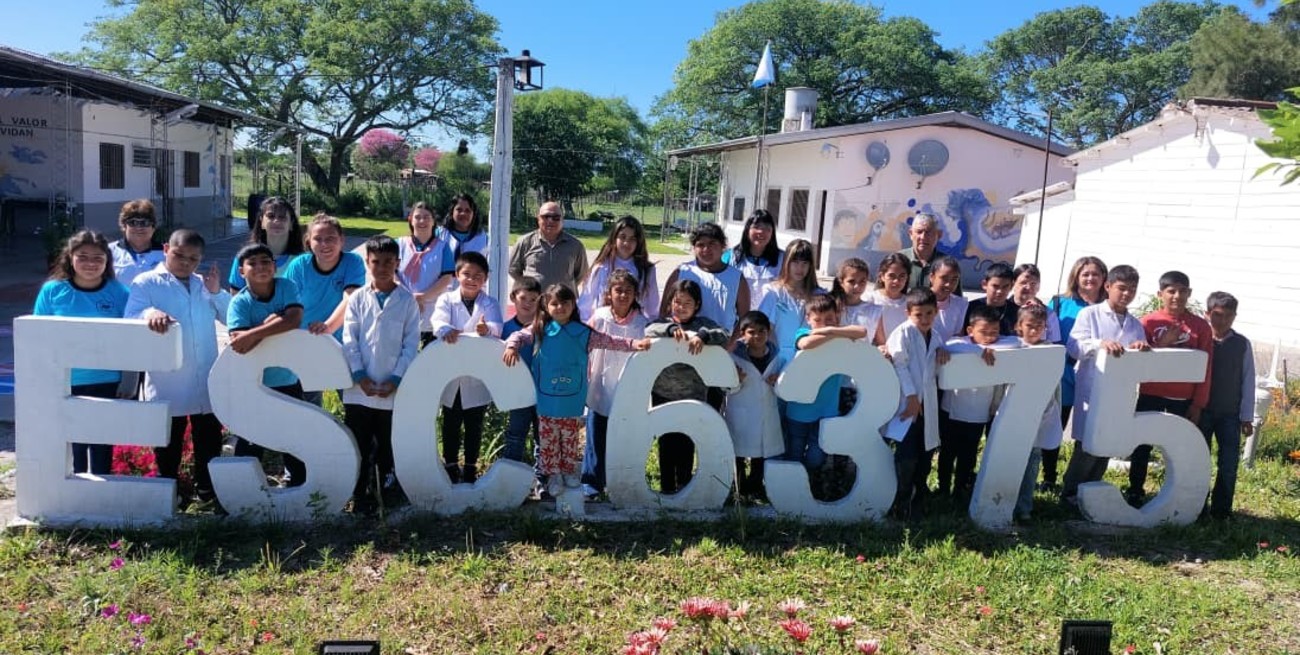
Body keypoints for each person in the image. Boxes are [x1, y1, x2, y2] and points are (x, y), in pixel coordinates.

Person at [502, 284, 650, 501]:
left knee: (570, 439)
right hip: (546, 399)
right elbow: (519, 335)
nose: (560, 307)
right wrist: (511, 346)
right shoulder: (540, 329)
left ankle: (570, 472)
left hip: (572, 400)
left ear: (573, 305)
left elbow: (609, 341)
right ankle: (553, 476)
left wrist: (634, 344)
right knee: (548, 441)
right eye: (554, 303)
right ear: (546, 306)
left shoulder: (583, 332)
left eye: (565, 303)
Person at [126, 229, 229, 507]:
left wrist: (216, 291)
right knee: (168, 441)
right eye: (179, 255)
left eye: (193, 259)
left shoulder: (203, 284)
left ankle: (207, 492)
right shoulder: (146, 282)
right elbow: (131, 314)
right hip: (168, 379)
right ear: (165, 250)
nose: (185, 262)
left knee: (208, 438)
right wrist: (150, 313)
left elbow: (230, 316)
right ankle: (170, 494)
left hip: (205, 375)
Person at [34, 230, 130, 474]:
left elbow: (131, 338)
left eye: (98, 258)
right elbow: (37, 336)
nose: (90, 263)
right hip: (66, 380)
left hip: (107, 379)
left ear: (107, 261)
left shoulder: (120, 292)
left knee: (102, 442)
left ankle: (101, 490)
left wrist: (128, 380)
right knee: (72, 443)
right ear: (70, 257)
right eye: (83, 257)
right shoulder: (52, 291)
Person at [341, 236, 420, 513]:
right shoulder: (357, 299)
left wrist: (395, 379)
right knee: (358, 444)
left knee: (388, 444)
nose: (383, 267)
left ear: (398, 263)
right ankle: (358, 493)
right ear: (367, 263)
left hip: (392, 389)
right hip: (359, 389)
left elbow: (411, 344)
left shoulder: (407, 301)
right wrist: (359, 375)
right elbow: (349, 339)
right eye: (376, 262)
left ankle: (386, 492)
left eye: (389, 262)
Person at [1060, 265, 1150, 505]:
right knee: (1087, 443)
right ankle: (1070, 492)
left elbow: (1139, 361)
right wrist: (1099, 344)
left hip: (1120, 392)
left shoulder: (1135, 324)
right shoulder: (1090, 314)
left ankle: (1091, 492)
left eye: (1132, 289)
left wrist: (1140, 348)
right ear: (1108, 286)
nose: (1127, 294)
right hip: (1093, 388)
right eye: (1122, 288)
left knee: (1107, 441)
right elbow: (1074, 347)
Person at [1128, 270, 1213, 506]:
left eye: (1182, 291)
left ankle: (1180, 495)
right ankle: (1135, 490)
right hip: (1151, 394)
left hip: (1183, 398)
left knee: (1180, 448)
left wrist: (1198, 403)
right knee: (1142, 444)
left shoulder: (1200, 327)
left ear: (1189, 293)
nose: (1177, 296)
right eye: (1171, 291)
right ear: (1160, 294)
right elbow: (1138, 360)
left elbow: (1206, 367)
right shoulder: (1148, 322)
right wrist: (1162, 344)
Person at [225, 243, 307, 487]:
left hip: (288, 378)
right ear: (241, 271)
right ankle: (245, 491)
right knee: (251, 437)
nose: (260, 267)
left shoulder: (286, 286)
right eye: (252, 263)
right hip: (254, 383)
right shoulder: (239, 303)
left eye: (265, 261)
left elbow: (293, 319)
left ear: (274, 265)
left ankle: (299, 486)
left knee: (294, 436)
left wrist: (255, 332)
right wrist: (270, 325)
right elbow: (241, 345)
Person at [644, 279, 730, 494]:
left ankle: (684, 482)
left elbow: (723, 334)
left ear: (697, 305)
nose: (681, 307)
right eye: (677, 302)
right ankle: (667, 486)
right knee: (666, 440)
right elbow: (649, 329)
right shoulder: (663, 323)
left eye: (687, 303)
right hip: (663, 393)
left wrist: (703, 336)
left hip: (693, 395)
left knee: (688, 439)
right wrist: (671, 329)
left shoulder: (703, 324)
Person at [430, 251, 503, 485]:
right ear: (457, 275)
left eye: (478, 276)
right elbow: (438, 321)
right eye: (467, 274)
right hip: (450, 373)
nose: (472, 280)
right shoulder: (446, 299)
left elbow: (497, 327)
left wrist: (486, 329)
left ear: (486, 278)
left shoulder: (490, 303)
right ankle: (451, 465)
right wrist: (445, 330)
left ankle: (471, 467)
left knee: (474, 423)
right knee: (450, 422)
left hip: (477, 376)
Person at [787, 294, 869, 498]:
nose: (823, 324)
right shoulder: (803, 332)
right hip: (799, 408)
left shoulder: (837, 333)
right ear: (808, 319)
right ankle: (792, 490)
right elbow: (806, 344)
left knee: (817, 453)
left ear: (837, 316)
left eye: (829, 319)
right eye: (818, 320)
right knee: (795, 450)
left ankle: (809, 484)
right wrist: (832, 332)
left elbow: (862, 331)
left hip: (827, 410)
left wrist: (829, 330)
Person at [937, 304, 1016, 499]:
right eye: (984, 332)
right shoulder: (958, 343)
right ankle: (943, 488)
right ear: (970, 330)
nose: (989, 337)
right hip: (952, 410)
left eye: (994, 332)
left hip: (979, 413)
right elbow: (951, 345)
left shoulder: (1000, 345)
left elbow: (1016, 342)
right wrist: (978, 350)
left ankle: (960, 489)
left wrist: (988, 347)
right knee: (947, 452)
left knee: (969, 454)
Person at [582, 269, 650, 495]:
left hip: (628, 387)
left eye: (628, 291)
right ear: (609, 293)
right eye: (618, 290)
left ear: (635, 294)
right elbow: (585, 344)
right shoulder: (600, 317)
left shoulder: (642, 323)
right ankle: (591, 482)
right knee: (596, 435)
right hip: (599, 384)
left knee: (623, 437)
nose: (623, 295)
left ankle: (621, 483)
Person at [1043, 256, 1107, 492]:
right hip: (1062, 372)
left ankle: (1078, 479)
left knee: (1088, 428)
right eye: (1085, 274)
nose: (1090, 278)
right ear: (1076, 276)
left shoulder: (1108, 308)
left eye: (1095, 274)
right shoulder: (1060, 303)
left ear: (1104, 278)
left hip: (1094, 374)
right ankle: (1049, 477)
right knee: (1055, 425)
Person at [885, 288, 945, 520]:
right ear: (908, 313)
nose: (924, 319)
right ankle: (900, 501)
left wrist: (942, 351)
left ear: (936, 312)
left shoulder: (935, 336)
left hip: (927, 405)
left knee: (925, 453)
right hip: (906, 403)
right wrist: (911, 397)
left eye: (929, 313)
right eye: (918, 314)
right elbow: (899, 365)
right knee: (906, 455)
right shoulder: (903, 333)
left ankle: (918, 497)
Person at [1199, 291, 1254, 519]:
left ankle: (1221, 511)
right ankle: (1198, 507)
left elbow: (1248, 380)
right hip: (1201, 411)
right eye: (1218, 315)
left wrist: (1246, 416)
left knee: (1229, 464)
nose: (1222, 321)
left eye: (1228, 316)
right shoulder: (1201, 340)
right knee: (1199, 461)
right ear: (1207, 314)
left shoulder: (1241, 344)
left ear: (1234, 317)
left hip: (1229, 415)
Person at [726, 310, 785, 502]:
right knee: (738, 452)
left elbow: (784, 383)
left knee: (761, 452)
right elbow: (724, 387)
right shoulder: (733, 357)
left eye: (762, 331)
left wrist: (778, 381)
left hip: (766, 411)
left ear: (769, 332)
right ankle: (739, 488)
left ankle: (756, 486)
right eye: (751, 332)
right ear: (742, 334)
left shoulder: (777, 357)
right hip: (740, 411)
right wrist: (736, 380)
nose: (757, 336)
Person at [1013, 303, 1064, 523]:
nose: (1034, 330)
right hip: (1014, 414)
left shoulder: (1051, 351)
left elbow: (1055, 388)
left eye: (1039, 326)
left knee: (1032, 462)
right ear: (1019, 326)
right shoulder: (1011, 348)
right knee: (1010, 459)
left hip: (1040, 415)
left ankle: (1024, 507)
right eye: (1030, 326)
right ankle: (1003, 501)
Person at [282, 213, 366, 346]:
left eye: (330, 238)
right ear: (309, 242)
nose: (324, 244)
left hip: (339, 342)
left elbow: (351, 298)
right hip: (302, 338)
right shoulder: (299, 265)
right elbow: (282, 302)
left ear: (342, 240)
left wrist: (327, 328)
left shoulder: (352, 262)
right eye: (318, 239)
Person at [661, 222, 750, 335]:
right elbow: (664, 311)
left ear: (723, 246)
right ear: (694, 248)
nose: (706, 249)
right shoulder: (682, 272)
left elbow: (744, 318)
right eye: (700, 245)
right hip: (684, 342)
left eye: (712, 244)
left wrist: (731, 343)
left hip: (721, 342)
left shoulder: (736, 278)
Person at [577, 215, 659, 321]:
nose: (626, 243)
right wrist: (585, 324)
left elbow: (653, 307)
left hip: (634, 326)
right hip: (604, 324)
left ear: (639, 242)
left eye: (632, 239)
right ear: (614, 238)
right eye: (622, 237)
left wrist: (650, 325)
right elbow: (586, 302)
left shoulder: (647, 270)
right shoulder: (601, 266)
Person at [397, 201, 456, 346]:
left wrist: (422, 297)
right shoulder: (399, 244)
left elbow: (447, 278)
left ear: (433, 221)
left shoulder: (443, 248)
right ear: (410, 219)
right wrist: (410, 298)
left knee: (429, 357)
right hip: (402, 311)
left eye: (426, 217)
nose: (422, 221)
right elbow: (391, 274)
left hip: (432, 315)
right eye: (417, 217)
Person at [758, 239, 822, 363]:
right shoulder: (773, 292)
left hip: (811, 360)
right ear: (787, 262)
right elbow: (764, 329)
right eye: (795, 262)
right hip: (779, 360)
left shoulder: (819, 295)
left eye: (805, 263)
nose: (800, 268)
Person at [501, 277, 542, 465]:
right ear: (513, 298)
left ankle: (542, 476)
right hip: (518, 391)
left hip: (542, 391)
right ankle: (511, 471)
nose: (528, 303)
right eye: (523, 298)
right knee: (516, 434)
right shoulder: (505, 329)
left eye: (533, 299)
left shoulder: (544, 328)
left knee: (542, 436)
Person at [508, 201, 589, 292]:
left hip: (564, 299)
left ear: (562, 220)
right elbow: (513, 269)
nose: (550, 221)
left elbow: (581, 274)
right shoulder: (525, 242)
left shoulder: (575, 245)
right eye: (546, 216)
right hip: (535, 299)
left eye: (556, 218)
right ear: (538, 219)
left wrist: (565, 289)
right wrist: (529, 288)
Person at [227, 196, 304, 291]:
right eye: (271, 216)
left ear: (291, 223)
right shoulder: (245, 258)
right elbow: (235, 294)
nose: (276, 221)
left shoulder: (303, 261)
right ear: (262, 221)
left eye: (282, 217)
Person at [723, 209, 783, 304]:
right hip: (739, 312)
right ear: (747, 230)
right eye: (756, 227)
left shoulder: (783, 259)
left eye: (766, 228)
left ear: (772, 233)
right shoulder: (730, 257)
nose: (761, 231)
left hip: (769, 313)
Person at [108, 199, 165, 285]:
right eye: (133, 223)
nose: (139, 228)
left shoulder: (166, 254)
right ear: (124, 226)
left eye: (145, 223)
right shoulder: (109, 252)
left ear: (153, 227)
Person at [831, 258, 884, 347]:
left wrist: (882, 348)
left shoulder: (874, 310)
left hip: (862, 355)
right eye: (851, 281)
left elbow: (881, 342)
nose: (857, 286)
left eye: (862, 281)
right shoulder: (831, 307)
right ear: (841, 282)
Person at [1010, 263, 1062, 344]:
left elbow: (1054, 344)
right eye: (1023, 282)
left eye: (1033, 284)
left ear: (1038, 287)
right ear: (1013, 284)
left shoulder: (1049, 314)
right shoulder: (1003, 309)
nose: (1028, 287)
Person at [963, 263, 1017, 336]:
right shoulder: (970, 308)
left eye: (1005, 286)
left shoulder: (1017, 312)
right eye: (995, 286)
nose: (1000, 291)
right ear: (984, 284)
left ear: (1011, 286)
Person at [898, 213, 943, 292]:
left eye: (928, 232)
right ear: (911, 234)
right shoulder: (898, 260)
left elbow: (955, 298)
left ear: (939, 235)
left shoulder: (946, 264)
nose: (923, 237)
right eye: (919, 232)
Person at [872, 252, 911, 337]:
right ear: (882, 276)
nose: (896, 281)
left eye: (902, 276)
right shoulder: (871, 299)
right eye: (891, 276)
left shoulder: (910, 303)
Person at [930, 256, 969, 343]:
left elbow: (958, 336)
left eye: (954, 280)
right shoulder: (918, 301)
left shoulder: (960, 304)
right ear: (932, 277)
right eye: (944, 278)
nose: (949, 284)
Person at [438, 193, 489, 259]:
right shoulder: (439, 235)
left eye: (468, 210)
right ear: (452, 211)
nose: (463, 214)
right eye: (459, 210)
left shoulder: (485, 239)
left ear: (473, 214)